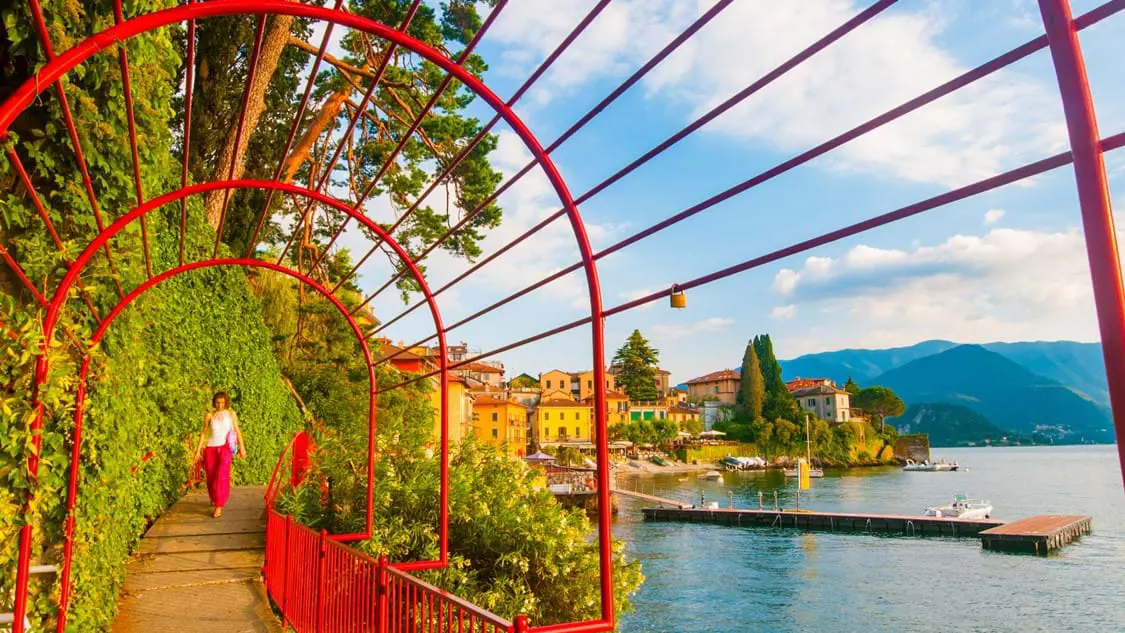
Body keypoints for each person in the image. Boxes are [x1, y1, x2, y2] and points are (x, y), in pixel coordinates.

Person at [196, 392, 247, 518]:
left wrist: (242, 447)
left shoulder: (231, 414)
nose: (220, 405)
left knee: (222, 475)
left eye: (222, 402)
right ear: (214, 402)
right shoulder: (210, 415)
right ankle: (214, 497)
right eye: (218, 402)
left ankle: (219, 506)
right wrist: (197, 451)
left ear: (226, 402)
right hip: (210, 449)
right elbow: (203, 433)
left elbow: (237, 430)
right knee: (211, 477)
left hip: (225, 448)